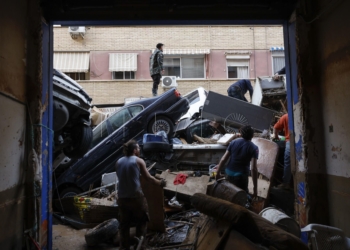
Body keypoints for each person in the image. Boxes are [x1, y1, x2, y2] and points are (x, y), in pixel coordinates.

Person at [116, 140, 166, 249]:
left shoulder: (119, 162)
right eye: (138, 148)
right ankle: (140, 246)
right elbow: (148, 178)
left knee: (124, 225)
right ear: (134, 150)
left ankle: (124, 248)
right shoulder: (139, 161)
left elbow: (122, 177)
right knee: (142, 222)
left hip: (122, 198)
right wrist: (160, 183)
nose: (139, 150)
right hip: (135, 197)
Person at [215, 125, 258, 197]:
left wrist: (217, 173)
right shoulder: (254, 148)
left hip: (228, 174)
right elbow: (253, 169)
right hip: (241, 177)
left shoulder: (233, 142)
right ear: (252, 135)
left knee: (228, 194)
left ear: (241, 133)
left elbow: (223, 159)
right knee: (241, 196)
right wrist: (255, 189)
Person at [273, 114, 291, 189]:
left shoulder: (286, 116)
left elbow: (275, 128)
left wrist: (276, 137)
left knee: (288, 163)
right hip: (302, 142)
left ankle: (286, 183)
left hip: (290, 142)